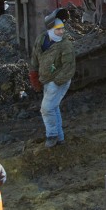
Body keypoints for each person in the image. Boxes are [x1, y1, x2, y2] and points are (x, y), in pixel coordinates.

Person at [29, 12, 76, 148]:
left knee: (46, 109)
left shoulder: (65, 45)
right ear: (50, 30)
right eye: (58, 29)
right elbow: (35, 57)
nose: (61, 32)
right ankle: (60, 139)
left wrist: (56, 82)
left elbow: (68, 67)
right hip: (46, 80)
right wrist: (34, 74)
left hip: (58, 81)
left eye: (62, 29)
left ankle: (52, 135)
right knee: (53, 108)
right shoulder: (41, 39)